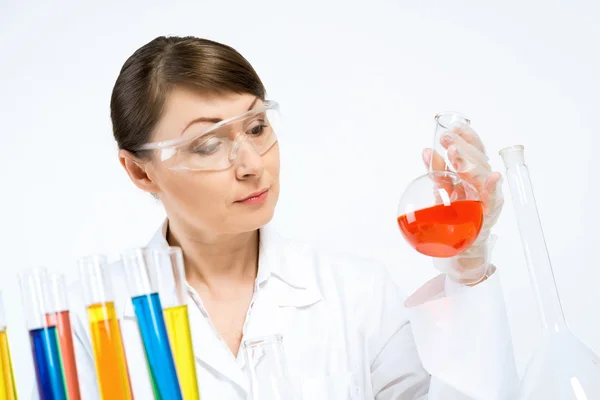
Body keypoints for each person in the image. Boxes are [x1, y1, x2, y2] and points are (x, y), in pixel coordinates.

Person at [69, 36, 518, 399]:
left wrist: (468, 266)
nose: (251, 165)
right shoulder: (91, 323)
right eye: (208, 144)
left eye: (256, 127)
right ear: (140, 171)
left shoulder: (355, 295)